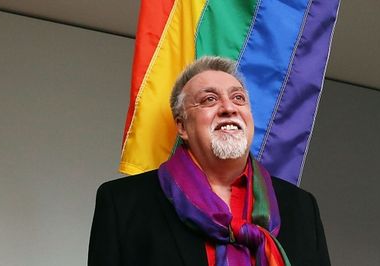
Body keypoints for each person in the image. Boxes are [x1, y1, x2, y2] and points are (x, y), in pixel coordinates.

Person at [88, 56, 330, 266]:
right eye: (209, 100)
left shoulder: (301, 207)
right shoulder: (123, 203)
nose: (228, 108)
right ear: (182, 125)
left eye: (238, 98)